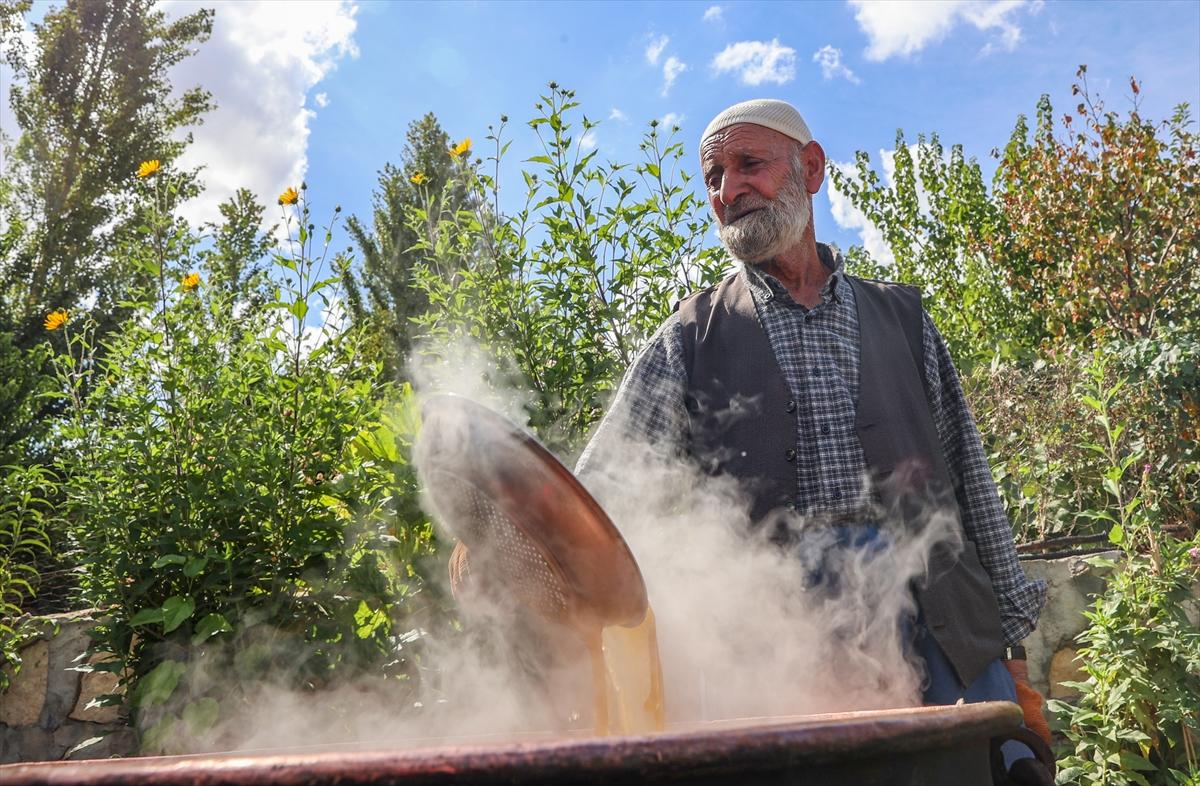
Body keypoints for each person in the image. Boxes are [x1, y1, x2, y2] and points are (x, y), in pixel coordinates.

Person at [575, 99, 1053, 783]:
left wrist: (1013, 652)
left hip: (942, 628)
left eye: (749, 165)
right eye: (712, 177)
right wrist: (524, 529)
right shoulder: (690, 336)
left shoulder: (904, 318)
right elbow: (606, 487)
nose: (728, 190)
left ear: (812, 168)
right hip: (779, 647)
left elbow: (969, 481)